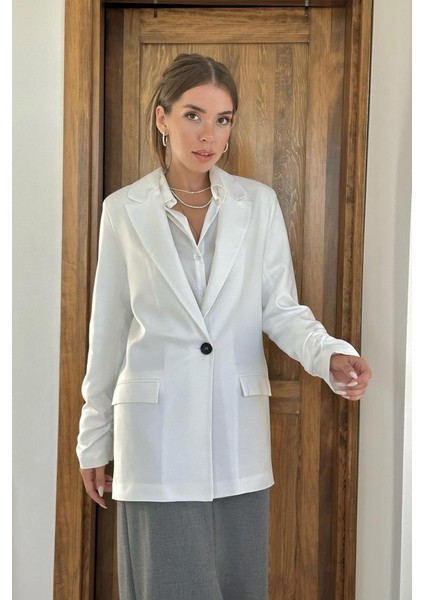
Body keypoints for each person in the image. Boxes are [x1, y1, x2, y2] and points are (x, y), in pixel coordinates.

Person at [77, 53, 371, 600]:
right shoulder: (122, 210)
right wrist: (93, 438)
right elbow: (109, 331)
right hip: (154, 437)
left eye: (222, 119)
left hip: (236, 435)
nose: (208, 134)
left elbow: (280, 309)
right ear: (162, 118)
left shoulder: (258, 205)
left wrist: (329, 354)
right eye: (193, 115)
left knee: (237, 586)